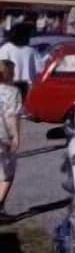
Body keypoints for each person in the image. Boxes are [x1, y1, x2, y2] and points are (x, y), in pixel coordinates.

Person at [0, 60, 20, 217]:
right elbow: (11, 116)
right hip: (3, 136)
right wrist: (16, 137)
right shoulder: (12, 92)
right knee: (8, 173)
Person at [0, 23, 39, 97]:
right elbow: (39, 69)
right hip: (27, 86)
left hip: (9, 86)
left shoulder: (5, 49)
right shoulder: (31, 51)